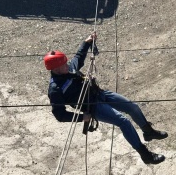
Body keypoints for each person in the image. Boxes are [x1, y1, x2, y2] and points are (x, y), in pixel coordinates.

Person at [44, 32, 168, 164]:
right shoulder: (55, 89)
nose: (67, 65)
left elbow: (79, 56)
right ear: (56, 70)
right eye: (64, 64)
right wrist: (82, 117)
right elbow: (59, 114)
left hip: (100, 94)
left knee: (132, 107)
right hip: (93, 107)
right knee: (123, 121)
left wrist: (86, 42)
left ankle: (148, 132)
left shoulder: (69, 69)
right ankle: (146, 155)